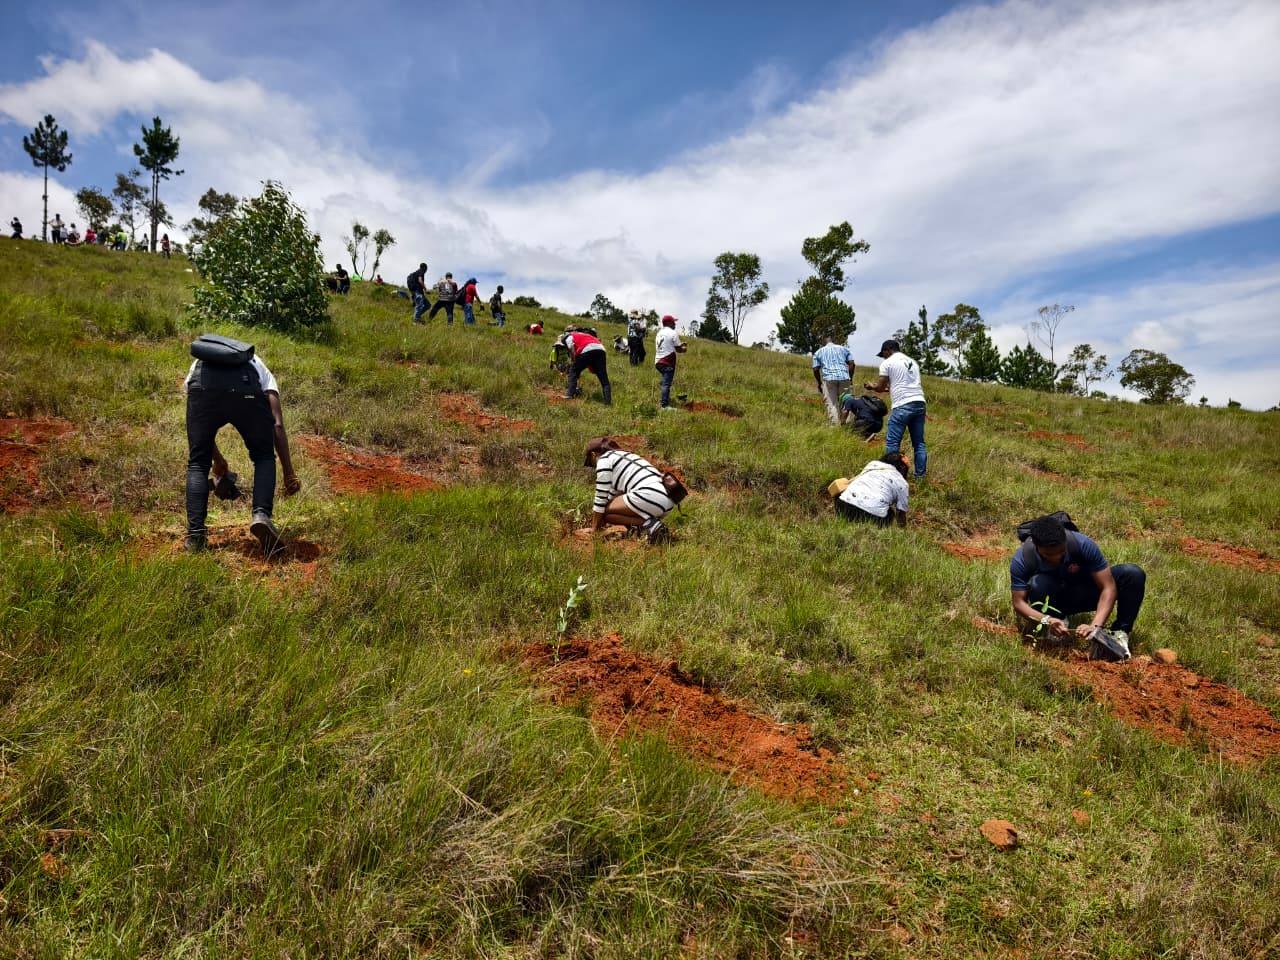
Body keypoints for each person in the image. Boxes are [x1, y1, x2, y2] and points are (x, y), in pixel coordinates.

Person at [183, 336, 301, 556]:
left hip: (203, 389)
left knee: (198, 463)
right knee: (263, 456)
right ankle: (261, 515)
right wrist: (288, 472)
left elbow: (201, 435)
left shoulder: (196, 366)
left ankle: (196, 537)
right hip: (246, 391)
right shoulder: (257, 364)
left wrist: (215, 459)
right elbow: (277, 424)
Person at [1010, 514, 1145, 660]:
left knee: (1132, 573)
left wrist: (1095, 626)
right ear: (1037, 547)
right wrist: (1047, 620)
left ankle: (1118, 634)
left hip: (1084, 592)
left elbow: (1108, 587)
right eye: (1049, 554)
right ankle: (1058, 625)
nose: (1056, 557)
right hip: (1055, 602)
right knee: (1038, 583)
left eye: (1061, 552)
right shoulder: (1022, 558)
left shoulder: (1082, 544)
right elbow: (1019, 603)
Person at [582, 436, 676, 544]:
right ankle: (647, 529)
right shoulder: (626, 456)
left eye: (591, 462)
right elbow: (611, 497)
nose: (593, 466)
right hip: (668, 501)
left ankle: (649, 523)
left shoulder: (604, 460)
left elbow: (601, 498)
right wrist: (599, 520)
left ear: (594, 455)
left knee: (605, 511)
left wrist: (594, 529)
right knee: (607, 512)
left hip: (650, 496)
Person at [865, 339, 927, 480]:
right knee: (919, 443)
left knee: (893, 443)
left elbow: (880, 387)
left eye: (883, 354)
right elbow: (903, 385)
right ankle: (920, 477)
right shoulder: (913, 362)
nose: (883, 357)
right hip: (919, 402)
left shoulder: (888, 363)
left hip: (902, 405)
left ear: (888, 349)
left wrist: (871, 386)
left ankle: (891, 477)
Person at [831, 453, 909, 526]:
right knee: (890, 514)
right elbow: (901, 513)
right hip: (871, 515)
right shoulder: (902, 483)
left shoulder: (873, 464)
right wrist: (902, 526)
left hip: (843, 505)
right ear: (902, 468)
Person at [560, 326, 612, 404]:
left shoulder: (569, 336)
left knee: (573, 370)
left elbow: (571, 347)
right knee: (604, 378)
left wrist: (573, 361)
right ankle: (608, 402)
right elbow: (591, 363)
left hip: (587, 349)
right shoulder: (585, 335)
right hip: (601, 350)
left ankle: (570, 394)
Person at [812, 334, 855, 425]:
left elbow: (815, 369)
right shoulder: (844, 349)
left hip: (829, 379)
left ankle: (835, 426)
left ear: (823, 342)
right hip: (844, 377)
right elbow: (852, 364)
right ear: (832, 341)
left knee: (832, 403)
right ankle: (847, 425)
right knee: (846, 401)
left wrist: (819, 383)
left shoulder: (818, 352)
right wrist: (850, 378)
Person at [654, 315, 686, 410]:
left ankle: (665, 398)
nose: (675, 324)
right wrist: (684, 349)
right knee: (666, 384)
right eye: (673, 322)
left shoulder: (659, 333)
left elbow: (666, 345)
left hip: (658, 362)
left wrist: (680, 345)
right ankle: (664, 405)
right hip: (667, 361)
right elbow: (679, 349)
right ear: (668, 323)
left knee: (665, 381)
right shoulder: (673, 333)